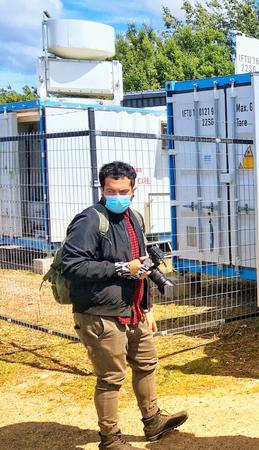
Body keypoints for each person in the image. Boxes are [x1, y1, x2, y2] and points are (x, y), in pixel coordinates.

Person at [61, 161, 187, 450]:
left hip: (135, 310)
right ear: (102, 188)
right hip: (100, 313)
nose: (116, 196)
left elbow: (140, 263)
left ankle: (153, 420)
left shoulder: (135, 217)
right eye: (110, 190)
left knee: (146, 364)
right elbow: (73, 265)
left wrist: (148, 307)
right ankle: (110, 438)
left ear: (133, 189)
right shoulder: (91, 220)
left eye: (122, 191)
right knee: (111, 378)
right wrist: (119, 269)